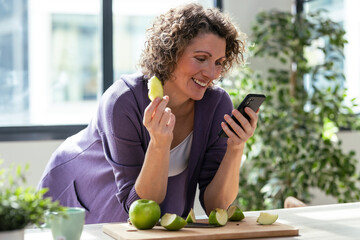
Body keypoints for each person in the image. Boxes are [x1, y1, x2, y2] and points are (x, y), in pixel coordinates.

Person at [38, 3, 258, 224]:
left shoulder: (216, 104)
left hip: (141, 220)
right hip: (77, 193)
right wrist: (159, 144)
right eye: (201, 58)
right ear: (172, 52)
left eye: (219, 62)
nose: (211, 73)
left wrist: (236, 148)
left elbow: (216, 206)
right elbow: (137, 204)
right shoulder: (123, 101)